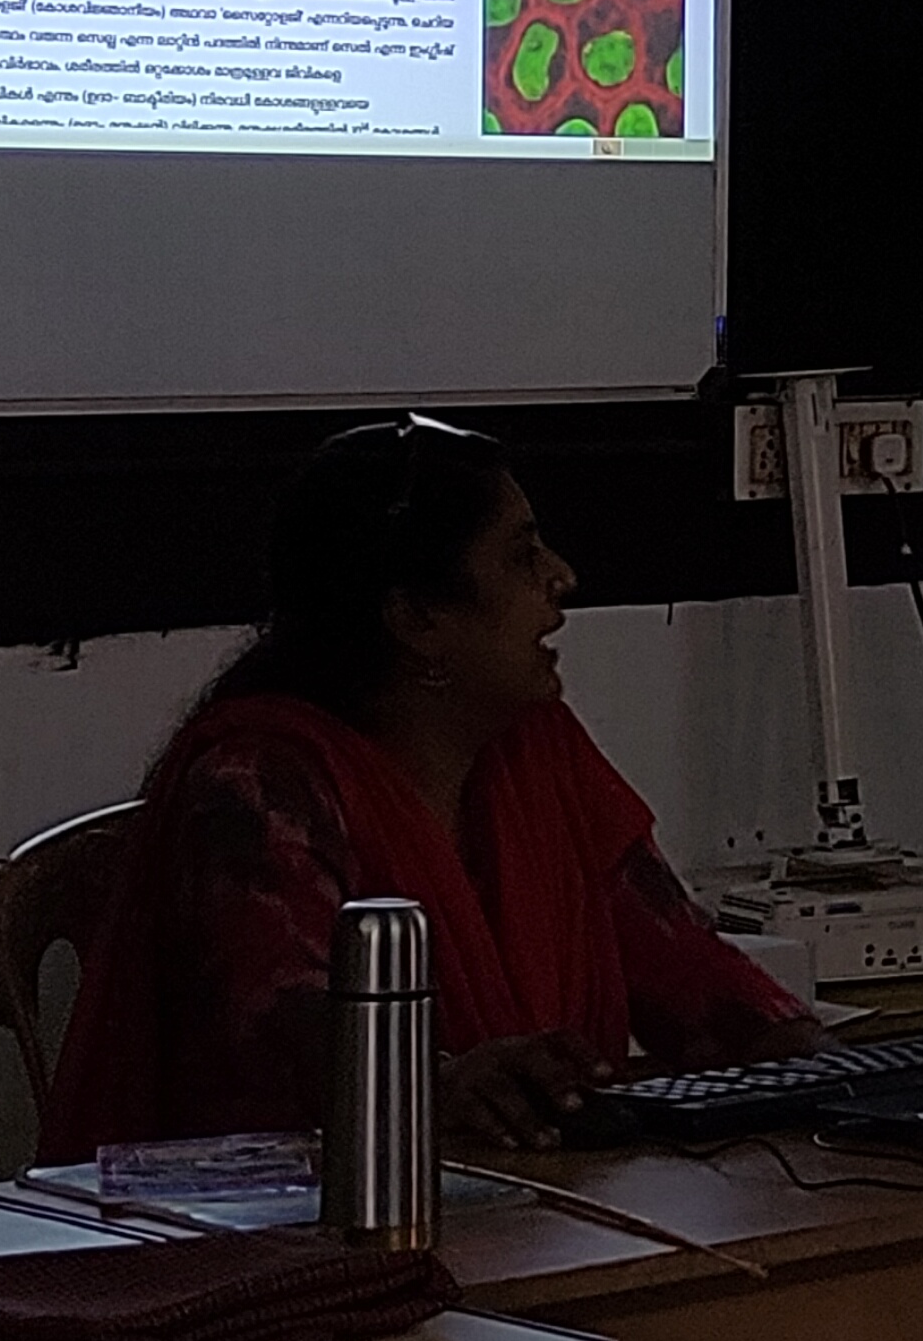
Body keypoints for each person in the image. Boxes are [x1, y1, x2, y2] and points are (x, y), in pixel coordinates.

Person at [40, 418, 820, 1160]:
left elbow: (683, 968)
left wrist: (831, 1071)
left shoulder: (536, 752)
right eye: (522, 557)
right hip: (294, 1226)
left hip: (534, 1211)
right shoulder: (259, 783)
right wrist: (438, 1083)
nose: (562, 577)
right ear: (416, 616)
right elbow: (284, 1030)